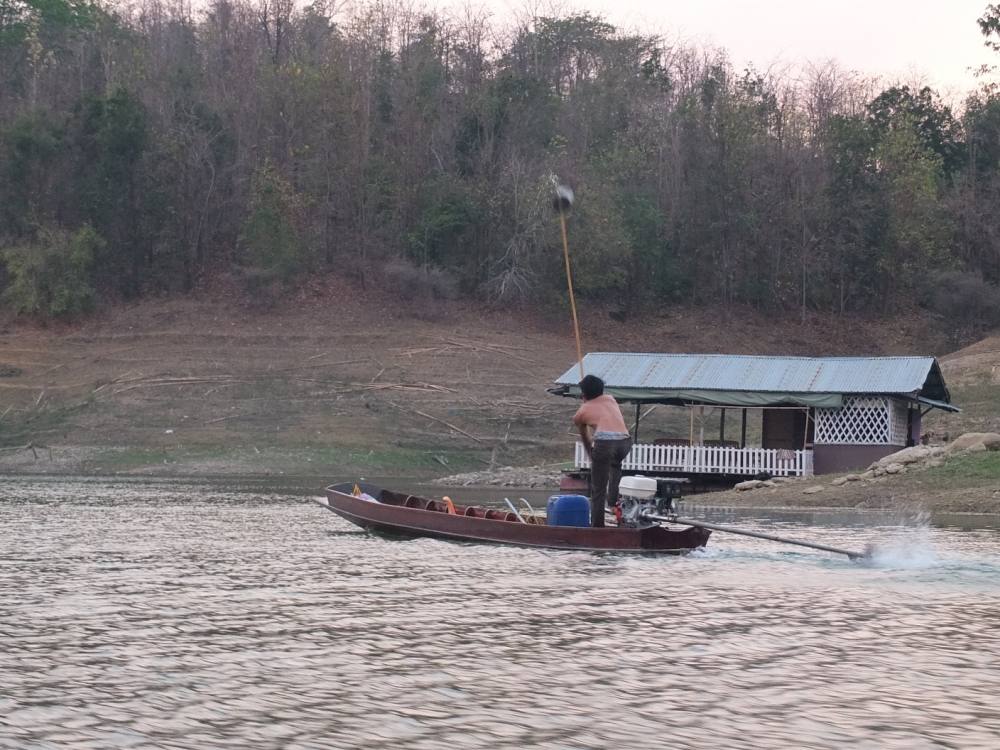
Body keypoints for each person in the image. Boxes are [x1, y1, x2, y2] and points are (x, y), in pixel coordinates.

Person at [572, 374, 632, 528]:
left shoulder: (581, 413)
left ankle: (597, 526)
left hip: (605, 444)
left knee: (598, 488)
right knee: (615, 466)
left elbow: (586, 437)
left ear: (583, 394)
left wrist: (591, 456)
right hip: (625, 442)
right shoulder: (611, 399)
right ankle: (613, 503)